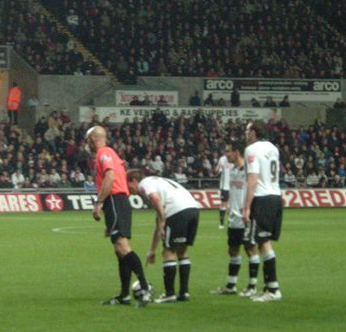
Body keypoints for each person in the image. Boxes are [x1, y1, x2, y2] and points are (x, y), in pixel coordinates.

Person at [87, 126, 150, 306]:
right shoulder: (112, 153)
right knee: (119, 249)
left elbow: (110, 176)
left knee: (122, 247)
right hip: (119, 202)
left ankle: (145, 288)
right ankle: (124, 295)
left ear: (93, 139)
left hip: (114, 200)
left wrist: (99, 202)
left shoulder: (103, 152)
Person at [127, 170, 200, 303]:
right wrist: (151, 250)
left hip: (177, 211)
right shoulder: (159, 182)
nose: (129, 190)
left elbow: (155, 200)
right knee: (182, 251)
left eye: (128, 186)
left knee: (168, 252)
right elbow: (158, 220)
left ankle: (169, 294)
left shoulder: (144, 184)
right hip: (193, 209)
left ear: (133, 180)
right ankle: (184, 293)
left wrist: (162, 221)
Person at [211, 142, 260, 295]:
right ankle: (231, 285)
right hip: (233, 218)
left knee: (250, 249)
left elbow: (254, 190)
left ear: (237, 152)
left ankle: (252, 287)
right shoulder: (232, 171)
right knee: (233, 250)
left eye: (228, 151)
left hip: (246, 217)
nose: (226, 154)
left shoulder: (249, 171)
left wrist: (249, 209)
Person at [242, 120, 283, 302]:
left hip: (262, 197)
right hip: (275, 196)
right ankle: (268, 286)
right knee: (263, 241)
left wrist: (246, 207)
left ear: (254, 132)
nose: (245, 134)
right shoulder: (273, 148)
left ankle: (273, 289)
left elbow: (253, 179)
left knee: (263, 242)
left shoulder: (251, 150)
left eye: (247, 131)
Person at [215, 146, 232, 229]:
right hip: (225, 186)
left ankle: (231, 221)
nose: (227, 153)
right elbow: (216, 172)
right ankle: (221, 223)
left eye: (229, 151)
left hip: (234, 186)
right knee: (223, 204)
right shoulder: (222, 159)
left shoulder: (235, 159)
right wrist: (218, 168)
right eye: (226, 151)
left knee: (233, 205)